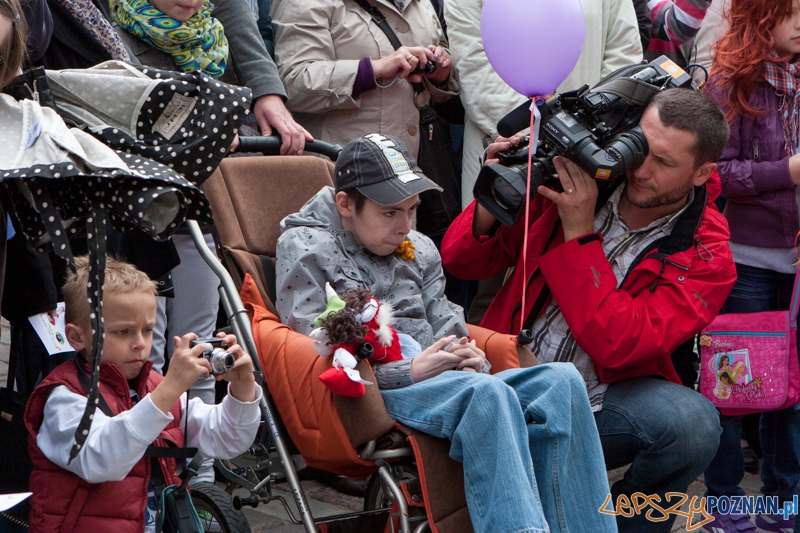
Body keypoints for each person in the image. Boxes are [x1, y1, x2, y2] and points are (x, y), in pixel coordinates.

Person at [275, 133, 617, 533]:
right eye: (390, 213)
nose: (405, 226)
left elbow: (447, 321)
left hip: (445, 378)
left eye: (412, 209)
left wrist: (472, 356)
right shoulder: (304, 246)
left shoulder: (418, 247)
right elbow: (320, 351)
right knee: (487, 394)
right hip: (373, 390)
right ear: (346, 204)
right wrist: (413, 371)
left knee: (561, 380)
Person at [441, 88, 736, 533]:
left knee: (692, 425)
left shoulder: (709, 255)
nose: (641, 169)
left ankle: (616, 521)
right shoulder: (586, 171)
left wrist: (578, 233)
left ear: (703, 173)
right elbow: (462, 260)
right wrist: (500, 185)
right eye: (641, 146)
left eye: (664, 163)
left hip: (599, 399)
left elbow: (619, 343)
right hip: (503, 373)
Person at [23, 256, 261, 533]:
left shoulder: (154, 387)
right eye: (123, 332)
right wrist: (170, 388)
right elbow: (102, 460)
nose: (139, 344)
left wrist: (243, 388)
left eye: (148, 330)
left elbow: (228, 440)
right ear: (77, 337)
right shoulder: (63, 397)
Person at [701, 1, 800, 531]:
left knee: (792, 391)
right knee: (733, 388)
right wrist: (786, 171)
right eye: (792, 13)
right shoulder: (730, 87)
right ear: (762, 18)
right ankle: (725, 501)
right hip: (745, 262)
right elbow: (717, 174)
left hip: (798, 265)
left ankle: (785, 503)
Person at [271, 0, 458, 158]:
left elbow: (441, 46)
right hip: (345, 167)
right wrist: (373, 70)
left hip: (415, 166)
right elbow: (292, 83)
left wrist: (440, 74)